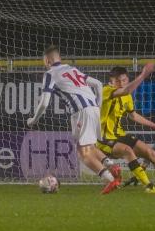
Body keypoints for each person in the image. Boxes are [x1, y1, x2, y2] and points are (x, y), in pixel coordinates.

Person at [26, 45, 121, 194]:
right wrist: (98, 104)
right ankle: (113, 166)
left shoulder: (50, 74)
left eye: (44, 60)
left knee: (83, 153)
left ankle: (110, 179)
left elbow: (44, 103)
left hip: (80, 111)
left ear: (47, 60)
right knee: (89, 146)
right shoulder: (72, 69)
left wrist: (33, 119)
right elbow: (97, 84)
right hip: (93, 109)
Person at [99, 65, 155, 193]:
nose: (121, 83)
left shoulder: (127, 97)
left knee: (150, 152)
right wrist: (143, 75)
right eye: (117, 81)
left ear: (127, 79)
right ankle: (148, 186)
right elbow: (125, 91)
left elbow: (133, 115)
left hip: (120, 134)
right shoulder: (106, 90)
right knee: (127, 150)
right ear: (111, 81)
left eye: (124, 80)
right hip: (104, 138)